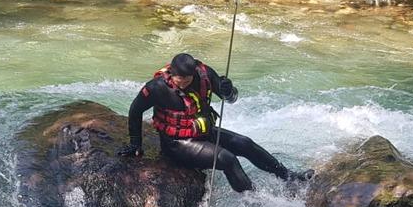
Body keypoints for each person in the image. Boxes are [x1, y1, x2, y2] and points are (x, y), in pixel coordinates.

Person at [118, 52, 312, 192]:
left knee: (244, 143)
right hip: (177, 144)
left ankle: (289, 177)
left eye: (186, 78)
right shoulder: (157, 87)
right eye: (178, 78)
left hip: (204, 133)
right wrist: (135, 143)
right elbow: (135, 110)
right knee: (227, 159)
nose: (182, 82)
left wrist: (228, 89)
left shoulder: (204, 75)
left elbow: (231, 98)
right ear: (171, 72)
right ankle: (255, 200)